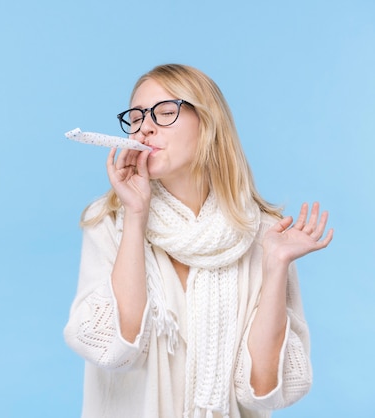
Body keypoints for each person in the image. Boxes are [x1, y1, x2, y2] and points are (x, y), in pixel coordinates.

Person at [63, 64, 333, 418]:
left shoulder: (263, 234)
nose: (145, 127)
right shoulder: (110, 220)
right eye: (137, 116)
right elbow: (113, 349)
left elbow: (263, 391)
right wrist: (136, 214)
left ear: (207, 123)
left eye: (164, 112)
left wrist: (276, 265)